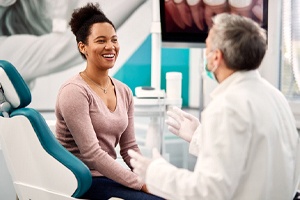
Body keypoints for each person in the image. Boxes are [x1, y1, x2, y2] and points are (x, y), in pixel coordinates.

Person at [129, 13, 300, 200]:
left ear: (216, 57)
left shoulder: (226, 107)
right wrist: (197, 136)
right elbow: (249, 160)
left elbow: (207, 192)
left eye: (207, 47)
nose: (205, 54)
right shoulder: (276, 97)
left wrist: (154, 172)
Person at [55, 3, 163, 200]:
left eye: (114, 40)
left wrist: (152, 176)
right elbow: (92, 154)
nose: (110, 46)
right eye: (101, 40)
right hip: (80, 181)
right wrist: (141, 184)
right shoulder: (74, 92)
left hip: (106, 177)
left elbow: (129, 147)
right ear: (83, 47)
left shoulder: (124, 91)